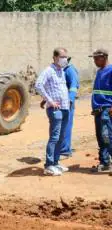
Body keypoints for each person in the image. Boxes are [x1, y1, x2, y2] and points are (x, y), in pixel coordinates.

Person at [35, 47, 70, 176]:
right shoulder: (49, 71)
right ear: (55, 58)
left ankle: (55, 162)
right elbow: (38, 85)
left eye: (66, 57)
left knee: (61, 137)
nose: (64, 59)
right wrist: (49, 101)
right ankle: (49, 165)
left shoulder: (62, 71)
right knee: (54, 137)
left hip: (65, 108)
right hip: (55, 109)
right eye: (62, 57)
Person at [41, 58, 80, 157]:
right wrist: (45, 99)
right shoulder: (60, 71)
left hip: (67, 103)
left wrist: (70, 100)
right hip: (59, 104)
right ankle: (61, 150)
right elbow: (56, 89)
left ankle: (65, 150)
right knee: (59, 128)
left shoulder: (69, 70)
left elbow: (74, 86)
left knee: (65, 127)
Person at [89, 48, 112, 172]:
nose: (94, 61)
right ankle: (105, 163)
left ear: (104, 57)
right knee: (101, 137)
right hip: (98, 109)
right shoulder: (99, 71)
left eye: (96, 58)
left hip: (107, 109)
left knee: (107, 136)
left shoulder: (111, 70)